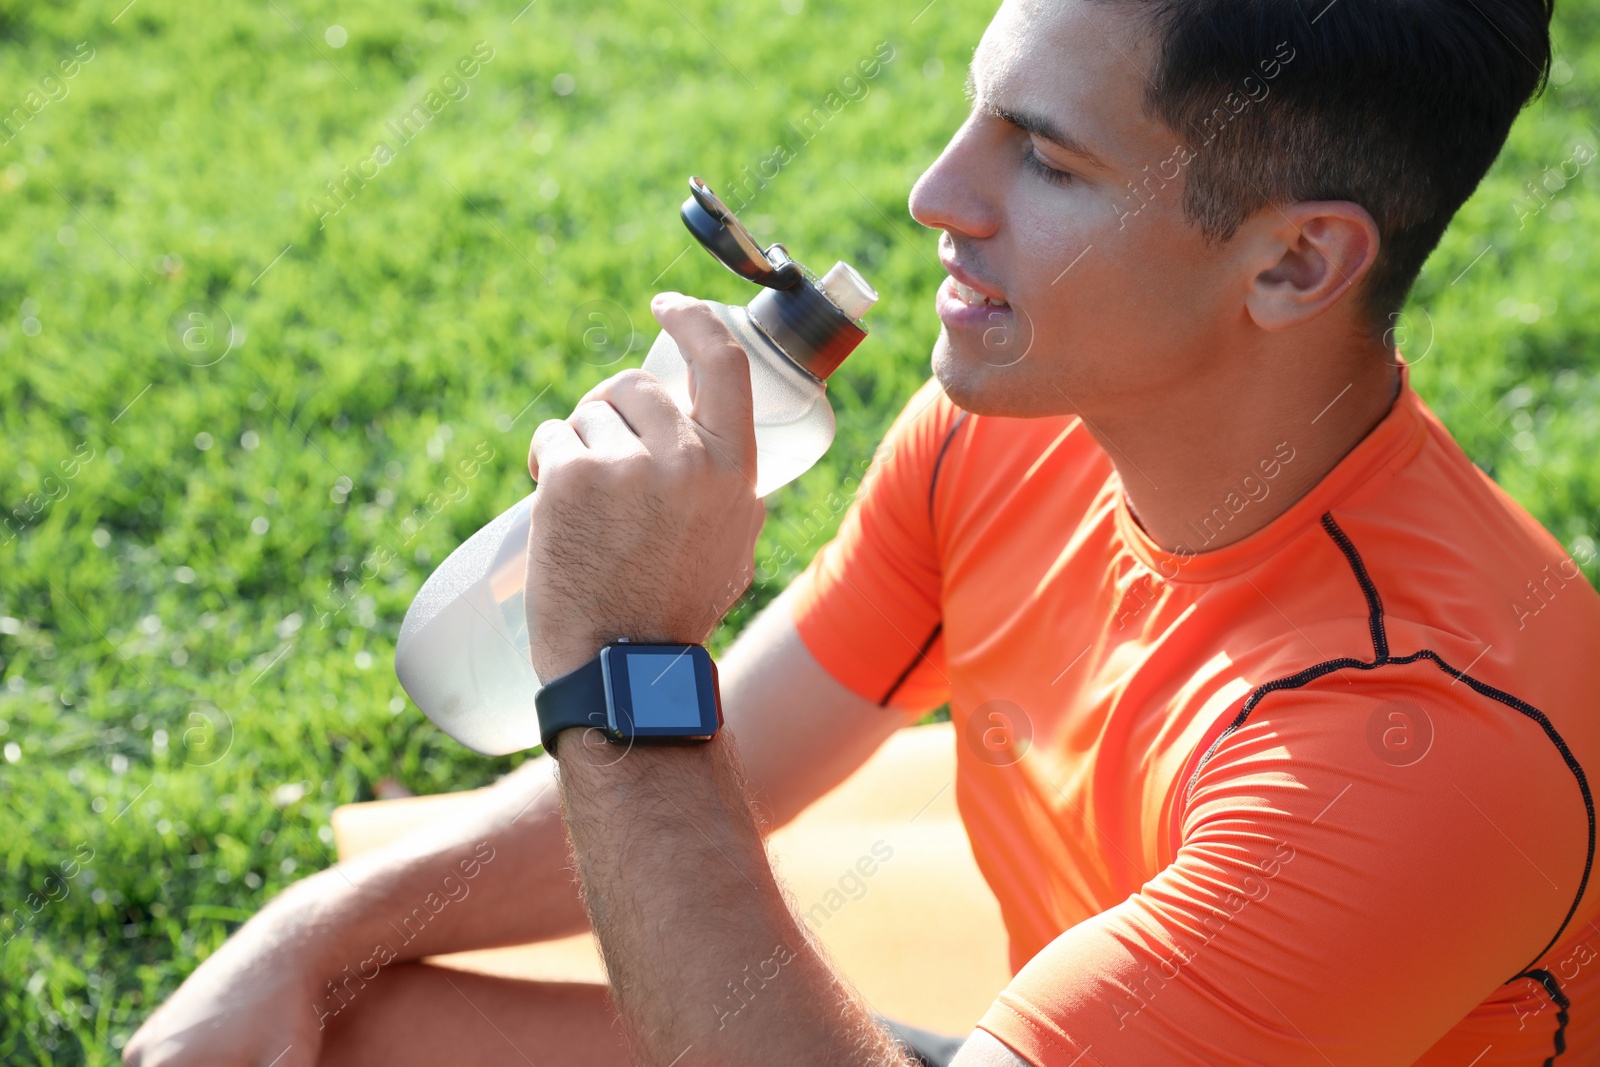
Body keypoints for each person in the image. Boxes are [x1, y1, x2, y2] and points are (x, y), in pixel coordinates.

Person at [127, 0, 1600, 1062]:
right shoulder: (1007, 438)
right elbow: (750, 762)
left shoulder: (1423, 744)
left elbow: (656, 772)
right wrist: (304, 936)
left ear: (1292, 263)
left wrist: (621, 665)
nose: (933, 196)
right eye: (977, 113)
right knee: (350, 1028)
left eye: (1045, 158)